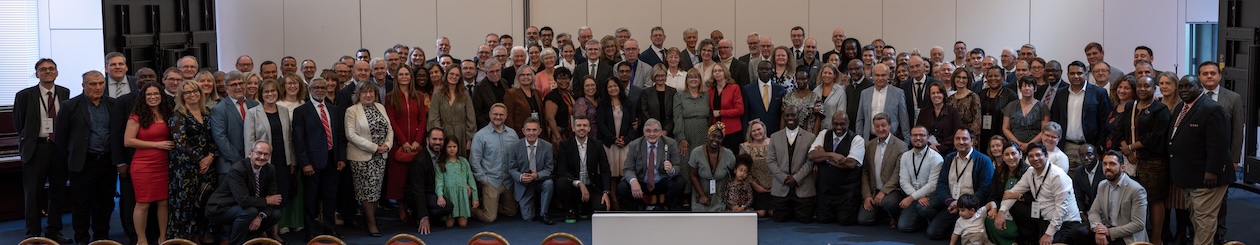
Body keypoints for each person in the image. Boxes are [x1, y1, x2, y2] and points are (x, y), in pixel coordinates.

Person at [1168, 74, 1233, 245]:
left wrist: (1212, 171)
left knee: (1204, 220)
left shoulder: (1212, 109)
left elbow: (1219, 144)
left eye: (1189, 86)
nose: (1184, 90)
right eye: (1181, 87)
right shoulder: (1181, 107)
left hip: (1207, 178)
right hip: (1189, 177)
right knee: (1197, 219)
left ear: (1199, 87)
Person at [15, 58, 72, 243]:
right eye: (43, 69)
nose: (47, 72)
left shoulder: (64, 92)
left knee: (58, 191)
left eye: (51, 69)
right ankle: (33, 233)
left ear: (56, 72)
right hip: (36, 148)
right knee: (33, 193)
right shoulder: (24, 95)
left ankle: (53, 230)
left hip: (58, 149)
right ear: (37, 73)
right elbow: (19, 123)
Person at [55, 71, 115, 243]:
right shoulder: (70, 106)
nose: (98, 87)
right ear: (83, 85)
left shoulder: (112, 104)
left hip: (106, 162)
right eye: (92, 84)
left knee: (105, 204)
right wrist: (72, 158)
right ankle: (81, 239)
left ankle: (101, 237)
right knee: (81, 205)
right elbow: (60, 137)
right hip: (83, 164)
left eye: (101, 83)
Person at [1117, 75, 1172, 245]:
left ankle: (1156, 239)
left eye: (1146, 86)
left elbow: (1156, 136)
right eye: (1139, 86)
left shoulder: (1160, 109)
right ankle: (1134, 238)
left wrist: (1131, 147)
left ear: (1154, 88)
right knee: (1131, 199)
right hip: (1131, 160)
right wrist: (1126, 151)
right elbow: (1119, 131)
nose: (1142, 89)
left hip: (1153, 161)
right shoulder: (1129, 106)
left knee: (1154, 199)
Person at [291, 77, 346, 239]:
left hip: (332, 160)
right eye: (317, 87)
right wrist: (304, 163)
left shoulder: (333, 109)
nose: (320, 90)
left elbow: (339, 136)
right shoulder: (301, 111)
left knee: (330, 197)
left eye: (323, 87)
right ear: (310, 89)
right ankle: (310, 232)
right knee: (310, 199)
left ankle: (330, 229)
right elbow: (298, 140)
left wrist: (341, 157)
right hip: (312, 163)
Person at [242, 78, 297, 241]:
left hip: (282, 160)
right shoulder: (253, 113)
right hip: (262, 162)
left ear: (278, 93)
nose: (270, 94)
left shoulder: (283, 111)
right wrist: (251, 164)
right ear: (261, 94)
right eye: (266, 91)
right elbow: (249, 140)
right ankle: (262, 232)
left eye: (273, 91)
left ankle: (275, 232)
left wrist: (292, 161)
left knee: (278, 195)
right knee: (264, 195)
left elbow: (289, 138)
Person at [1000, 142, 1083, 244]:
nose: (1035, 159)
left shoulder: (1057, 175)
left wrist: (1049, 234)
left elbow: (1061, 209)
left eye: (1038, 155)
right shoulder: (1030, 172)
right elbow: (1012, 192)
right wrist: (1001, 212)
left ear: (1046, 156)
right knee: (1015, 205)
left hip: (1065, 223)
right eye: (1031, 156)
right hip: (1044, 220)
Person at [205, 142, 282, 245]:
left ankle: (247, 240)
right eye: (259, 153)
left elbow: (274, 198)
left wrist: (260, 217)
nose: (262, 157)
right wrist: (266, 200)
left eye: (266, 154)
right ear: (250, 154)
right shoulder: (238, 169)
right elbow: (243, 200)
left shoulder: (270, 169)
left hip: (245, 207)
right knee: (250, 211)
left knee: (275, 214)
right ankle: (235, 243)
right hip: (220, 208)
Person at [1199, 62, 1242, 244]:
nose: (1209, 76)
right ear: (1199, 76)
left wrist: (1234, 159)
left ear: (1219, 76)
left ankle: (1219, 233)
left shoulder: (1233, 98)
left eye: (1213, 73)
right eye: (1205, 73)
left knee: (1220, 198)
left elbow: (1237, 130)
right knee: (1198, 199)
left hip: (1223, 159)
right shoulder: (1193, 96)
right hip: (1198, 158)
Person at [344, 83, 393, 236]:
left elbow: (389, 129)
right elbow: (351, 135)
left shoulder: (380, 107)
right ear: (358, 94)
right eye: (364, 92)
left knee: (375, 190)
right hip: (362, 158)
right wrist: (374, 147)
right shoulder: (352, 110)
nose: (368, 95)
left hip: (380, 157)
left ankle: (370, 218)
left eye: (371, 91)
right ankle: (371, 224)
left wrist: (387, 145)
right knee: (367, 192)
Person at [927, 128, 994, 240]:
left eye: (964, 139)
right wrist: (950, 202)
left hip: (972, 208)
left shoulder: (983, 161)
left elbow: (985, 190)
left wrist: (963, 205)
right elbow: (942, 184)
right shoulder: (949, 158)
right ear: (954, 141)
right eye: (957, 139)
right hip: (952, 205)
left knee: (968, 237)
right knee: (932, 233)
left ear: (972, 141)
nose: (961, 142)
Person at [1073, 150, 1149, 245]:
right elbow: (1094, 211)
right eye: (1105, 164)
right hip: (1107, 227)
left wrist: (1108, 232)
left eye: (1112, 164)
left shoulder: (1136, 190)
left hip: (1126, 235)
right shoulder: (1102, 185)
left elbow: (1138, 224)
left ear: (1122, 168)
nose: (1107, 167)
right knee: (1077, 231)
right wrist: (1098, 229)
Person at [1050, 61, 1112, 170]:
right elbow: (1055, 119)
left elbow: (1105, 121)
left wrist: (1098, 146)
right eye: (1072, 73)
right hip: (1066, 147)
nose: (1076, 76)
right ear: (1068, 75)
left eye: (1079, 73)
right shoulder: (1060, 93)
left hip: (1090, 147)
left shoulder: (1099, 93)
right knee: (1067, 181)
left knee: (1089, 181)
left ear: (1086, 74)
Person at [384, 65, 427, 222]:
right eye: (400, 74)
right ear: (396, 77)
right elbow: (392, 121)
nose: (404, 77)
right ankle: (401, 207)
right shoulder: (390, 97)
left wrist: (416, 140)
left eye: (406, 74)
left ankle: (414, 207)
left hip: (416, 143)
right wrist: (403, 142)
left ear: (411, 77)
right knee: (399, 177)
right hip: (398, 143)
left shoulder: (419, 96)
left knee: (414, 175)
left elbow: (422, 120)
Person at [469, 103, 521, 223]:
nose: (498, 117)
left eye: (501, 114)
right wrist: (484, 180)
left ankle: (491, 205)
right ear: (490, 115)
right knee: (490, 217)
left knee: (511, 211)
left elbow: (518, 156)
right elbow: (474, 160)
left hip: (508, 181)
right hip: (491, 181)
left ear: (506, 116)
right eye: (495, 114)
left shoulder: (512, 134)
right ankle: (469, 210)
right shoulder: (480, 135)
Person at [617, 119, 685, 210]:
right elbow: (628, 168)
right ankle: (638, 207)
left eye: (655, 131)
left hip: (662, 180)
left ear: (660, 132)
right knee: (622, 187)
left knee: (680, 182)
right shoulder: (635, 145)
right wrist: (633, 182)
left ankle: (667, 206)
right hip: (642, 181)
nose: (652, 134)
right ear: (643, 132)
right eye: (648, 131)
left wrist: (671, 170)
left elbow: (677, 166)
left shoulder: (670, 143)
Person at [808, 110, 860, 224]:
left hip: (846, 193)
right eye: (835, 124)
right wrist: (831, 154)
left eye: (842, 124)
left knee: (845, 222)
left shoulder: (857, 139)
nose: (838, 127)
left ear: (848, 123)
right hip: (825, 192)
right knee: (823, 220)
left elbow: (850, 164)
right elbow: (811, 155)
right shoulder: (823, 134)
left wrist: (824, 156)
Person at [555, 116, 611, 221]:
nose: (582, 128)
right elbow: (561, 171)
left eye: (585, 125)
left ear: (589, 128)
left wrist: (606, 192)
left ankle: (583, 207)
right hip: (573, 186)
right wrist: (579, 184)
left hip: (591, 185)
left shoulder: (597, 145)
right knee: (561, 183)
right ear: (573, 128)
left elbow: (605, 170)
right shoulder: (565, 145)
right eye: (578, 125)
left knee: (601, 207)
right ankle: (570, 210)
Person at [858, 113, 908, 227]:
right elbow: (865, 171)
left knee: (888, 202)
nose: (880, 129)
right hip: (873, 190)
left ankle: (894, 215)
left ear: (890, 125)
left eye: (883, 125)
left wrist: (883, 192)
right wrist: (867, 195)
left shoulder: (901, 146)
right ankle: (883, 214)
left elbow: (897, 174)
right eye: (877, 126)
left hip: (892, 191)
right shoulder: (869, 145)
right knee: (863, 220)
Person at [985, 142, 1036, 245]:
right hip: (1002, 210)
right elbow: (993, 195)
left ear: (1020, 154)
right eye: (1007, 154)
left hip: (1022, 214)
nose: (1011, 157)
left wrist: (1019, 196)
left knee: (1010, 230)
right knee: (988, 219)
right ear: (1003, 157)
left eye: (1014, 153)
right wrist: (994, 208)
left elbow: (1035, 200)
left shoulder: (1029, 172)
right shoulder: (999, 172)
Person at [211, 71, 260, 180]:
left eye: (241, 83)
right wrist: (242, 162)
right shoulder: (219, 109)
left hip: (256, 165)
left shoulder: (255, 105)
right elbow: (221, 139)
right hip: (230, 167)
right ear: (226, 88)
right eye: (233, 84)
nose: (238, 87)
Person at [507, 118, 555, 224]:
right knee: (528, 218)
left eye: (534, 130)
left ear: (539, 131)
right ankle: (532, 207)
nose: (531, 133)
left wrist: (536, 175)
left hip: (540, 180)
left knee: (549, 183)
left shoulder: (547, 146)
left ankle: (544, 213)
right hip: (524, 184)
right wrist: (521, 177)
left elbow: (549, 169)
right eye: (528, 130)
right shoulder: (514, 147)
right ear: (523, 131)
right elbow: (512, 169)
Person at [404, 128, 451, 234]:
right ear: (427, 140)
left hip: (435, 191)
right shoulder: (419, 161)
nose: (438, 142)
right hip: (420, 194)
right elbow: (417, 190)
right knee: (447, 206)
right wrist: (423, 216)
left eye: (440, 139)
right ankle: (416, 214)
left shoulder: (443, 155)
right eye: (434, 139)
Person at [897, 126, 944, 233]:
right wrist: (916, 197)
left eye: (922, 135)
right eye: (914, 135)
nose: (918, 138)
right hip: (914, 196)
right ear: (910, 137)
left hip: (932, 196)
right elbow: (903, 182)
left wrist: (911, 198)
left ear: (928, 137)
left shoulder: (936, 158)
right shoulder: (905, 156)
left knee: (924, 209)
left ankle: (932, 218)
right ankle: (922, 221)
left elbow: (933, 185)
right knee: (903, 227)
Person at [689, 122, 737, 212]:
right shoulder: (696, 152)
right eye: (713, 136)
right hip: (701, 192)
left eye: (719, 138)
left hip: (720, 194)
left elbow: (735, 174)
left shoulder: (729, 154)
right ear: (708, 135)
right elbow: (693, 175)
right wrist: (702, 195)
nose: (716, 140)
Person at [428, 65, 476, 152]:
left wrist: (469, 138)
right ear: (446, 75)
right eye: (451, 74)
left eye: (457, 75)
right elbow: (434, 117)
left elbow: (471, 118)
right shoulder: (438, 94)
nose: (454, 77)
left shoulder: (465, 94)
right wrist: (439, 137)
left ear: (460, 77)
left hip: (461, 135)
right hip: (443, 134)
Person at [434, 135, 479, 228]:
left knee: (463, 224)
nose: (452, 149)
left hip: (462, 195)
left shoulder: (463, 161)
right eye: (449, 147)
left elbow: (471, 179)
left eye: (454, 146)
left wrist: (475, 197)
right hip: (449, 195)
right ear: (445, 148)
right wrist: (440, 196)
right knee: (449, 225)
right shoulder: (441, 163)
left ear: (458, 147)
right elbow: (439, 181)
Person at [856, 64, 911, 139]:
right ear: (873, 76)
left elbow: (904, 120)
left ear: (888, 76)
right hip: (869, 139)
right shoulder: (865, 93)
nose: (880, 78)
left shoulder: (898, 93)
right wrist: (859, 139)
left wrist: (906, 141)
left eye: (883, 75)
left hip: (891, 139)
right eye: (877, 75)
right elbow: (860, 119)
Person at [1002, 76, 1050, 150]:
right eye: (1024, 86)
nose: (1027, 88)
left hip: (1036, 146)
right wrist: (1017, 143)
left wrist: (1029, 145)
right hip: (1014, 147)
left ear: (1035, 88)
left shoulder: (1042, 107)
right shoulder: (1011, 105)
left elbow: (1044, 130)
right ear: (1020, 89)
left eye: (1029, 86)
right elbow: (1005, 128)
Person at [674, 68, 712, 155]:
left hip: (704, 134)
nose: (693, 79)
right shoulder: (679, 95)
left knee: (703, 162)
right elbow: (677, 117)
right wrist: (681, 138)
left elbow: (710, 116)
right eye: (690, 77)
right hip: (686, 135)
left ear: (700, 80)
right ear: (686, 80)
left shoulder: (706, 95)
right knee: (686, 163)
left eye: (696, 77)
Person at [917, 82, 963, 154]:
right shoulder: (924, 111)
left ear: (943, 94)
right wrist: (929, 145)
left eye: (938, 92)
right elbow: (918, 130)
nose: (936, 95)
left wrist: (941, 147)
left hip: (948, 151)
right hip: (927, 150)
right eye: (933, 93)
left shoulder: (953, 112)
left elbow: (958, 133)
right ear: (929, 95)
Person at [504, 66, 547, 138]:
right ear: (518, 77)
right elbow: (508, 116)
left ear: (532, 76)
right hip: (520, 134)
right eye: (522, 75)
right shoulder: (511, 93)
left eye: (528, 74)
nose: (526, 77)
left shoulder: (537, 93)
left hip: (537, 133)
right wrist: (512, 134)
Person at [744, 61, 786, 132]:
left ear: (772, 71)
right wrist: (745, 133)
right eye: (761, 69)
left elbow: (782, 113)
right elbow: (745, 114)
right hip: (755, 132)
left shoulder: (779, 89)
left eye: (767, 69)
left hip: (775, 131)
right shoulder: (748, 89)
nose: (764, 71)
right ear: (757, 71)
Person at [979, 67, 1017, 142]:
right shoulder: (981, 94)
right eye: (990, 76)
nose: (993, 78)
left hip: (1002, 138)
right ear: (986, 78)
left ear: (1002, 78)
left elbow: (1014, 120)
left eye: (996, 76)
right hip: (982, 137)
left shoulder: (1010, 95)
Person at [640, 65, 677, 139]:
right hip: (651, 133)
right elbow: (644, 112)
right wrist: (654, 129)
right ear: (653, 76)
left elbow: (674, 113)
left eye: (663, 75)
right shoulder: (646, 92)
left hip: (669, 133)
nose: (660, 78)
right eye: (657, 75)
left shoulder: (673, 92)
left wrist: (666, 130)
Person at [1102, 75, 1137, 150]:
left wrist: (1127, 149)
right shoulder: (1113, 107)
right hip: (1109, 151)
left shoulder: (1135, 108)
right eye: (1120, 87)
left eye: (1126, 88)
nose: (1122, 91)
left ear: (1134, 91)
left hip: (1126, 152)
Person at [1071, 144, 1107, 215]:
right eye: (1082, 155)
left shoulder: (1105, 170)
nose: (1086, 158)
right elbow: (1078, 196)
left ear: (1097, 156)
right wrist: (1081, 212)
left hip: (1107, 210)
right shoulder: (1079, 172)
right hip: (1090, 210)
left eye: (1089, 155)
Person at [473, 60, 508, 129]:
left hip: (504, 125)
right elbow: (477, 112)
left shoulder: (505, 83)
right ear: (486, 73)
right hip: (487, 126)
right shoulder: (479, 88)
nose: (495, 74)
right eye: (491, 72)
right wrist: (488, 127)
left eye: (497, 70)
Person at [784, 70, 821, 134]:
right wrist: (783, 135)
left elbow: (818, 119)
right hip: (790, 133)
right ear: (796, 80)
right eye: (799, 79)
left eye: (804, 79)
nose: (801, 81)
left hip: (809, 133)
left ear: (808, 79)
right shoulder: (788, 97)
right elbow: (783, 117)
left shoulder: (815, 98)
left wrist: (814, 136)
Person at [544, 67, 574, 143]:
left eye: (566, 78)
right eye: (560, 78)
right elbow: (550, 118)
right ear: (555, 80)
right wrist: (558, 137)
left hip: (570, 133)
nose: (563, 81)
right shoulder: (552, 96)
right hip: (558, 135)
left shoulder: (570, 94)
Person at [948, 69, 981, 134]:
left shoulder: (973, 97)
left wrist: (972, 140)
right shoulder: (950, 99)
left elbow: (977, 122)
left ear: (968, 80)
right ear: (954, 79)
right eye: (958, 77)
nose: (961, 80)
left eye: (964, 78)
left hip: (968, 138)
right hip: (951, 137)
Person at [815, 64, 847, 131]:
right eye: (825, 73)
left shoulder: (840, 92)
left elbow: (841, 113)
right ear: (821, 74)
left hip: (833, 129)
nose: (827, 75)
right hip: (816, 129)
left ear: (834, 75)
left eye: (830, 73)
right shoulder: (816, 91)